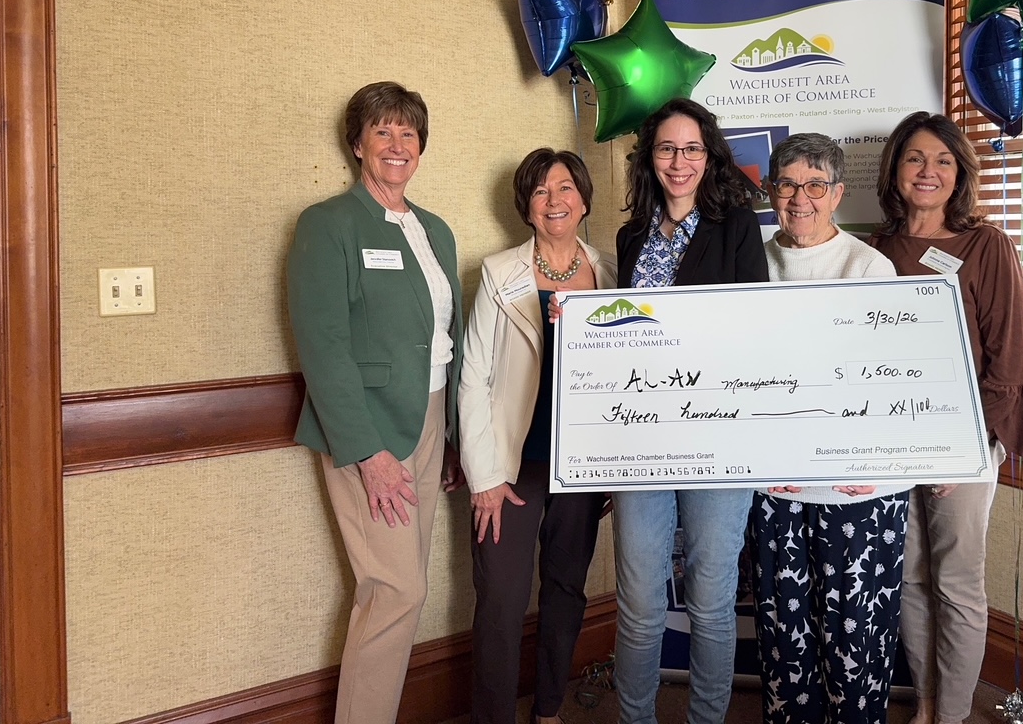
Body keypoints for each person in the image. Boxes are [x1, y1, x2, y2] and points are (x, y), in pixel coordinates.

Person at [287, 81, 464, 724]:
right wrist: (367, 453)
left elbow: (443, 339)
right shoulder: (328, 224)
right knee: (396, 590)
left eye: (407, 133)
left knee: (402, 590)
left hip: (429, 422)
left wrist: (449, 437)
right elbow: (324, 348)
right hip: (370, 431)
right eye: (382, 131)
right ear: (358, 145)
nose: (397, 144)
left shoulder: (435, 230)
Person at [869, 112, 1023, 724]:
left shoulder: (986, 246)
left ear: (960, 174)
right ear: (895, 168)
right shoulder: (876, 250)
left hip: (964, 442)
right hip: (892, 443)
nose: (928, 171)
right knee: (910, 579)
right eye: (915, 158)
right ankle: (926, 704)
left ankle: (954, 715)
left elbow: (1010, 358)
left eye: (943, 161)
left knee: (957, 583)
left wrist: (963, 450)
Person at [613, 98, 768, 724]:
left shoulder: (738, 226)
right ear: (650, 157)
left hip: (718, 437)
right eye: (667, 149)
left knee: (710, 602)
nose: (679, 162)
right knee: (639, 603)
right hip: (641, 440)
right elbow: (620, 336)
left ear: (710, 156)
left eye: (692, 149)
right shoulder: (631, 236)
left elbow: (755, 327)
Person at [749, 133, 909, 724]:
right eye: (788, 185)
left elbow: (897, 378)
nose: (801, 199)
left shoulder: (869, 267)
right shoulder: (751, 261)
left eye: (815, 185)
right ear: (771, 192)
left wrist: (877, 465)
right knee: (783, 638)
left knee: (855, 642)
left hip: (856, 489)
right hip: (775, 486)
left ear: (837, 194)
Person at [459, 148, 615, 724]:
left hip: (579, 465)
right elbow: (474, 377)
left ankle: (548, 709)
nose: (555, 200)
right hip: (511, 466)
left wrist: (614, 468)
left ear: (584, 200)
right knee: (500, 600)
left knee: (566, 589)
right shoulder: (500, 273)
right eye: (541, 190)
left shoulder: (612, 272)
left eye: (566, 187)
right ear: (526, 206)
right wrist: (484, 477)